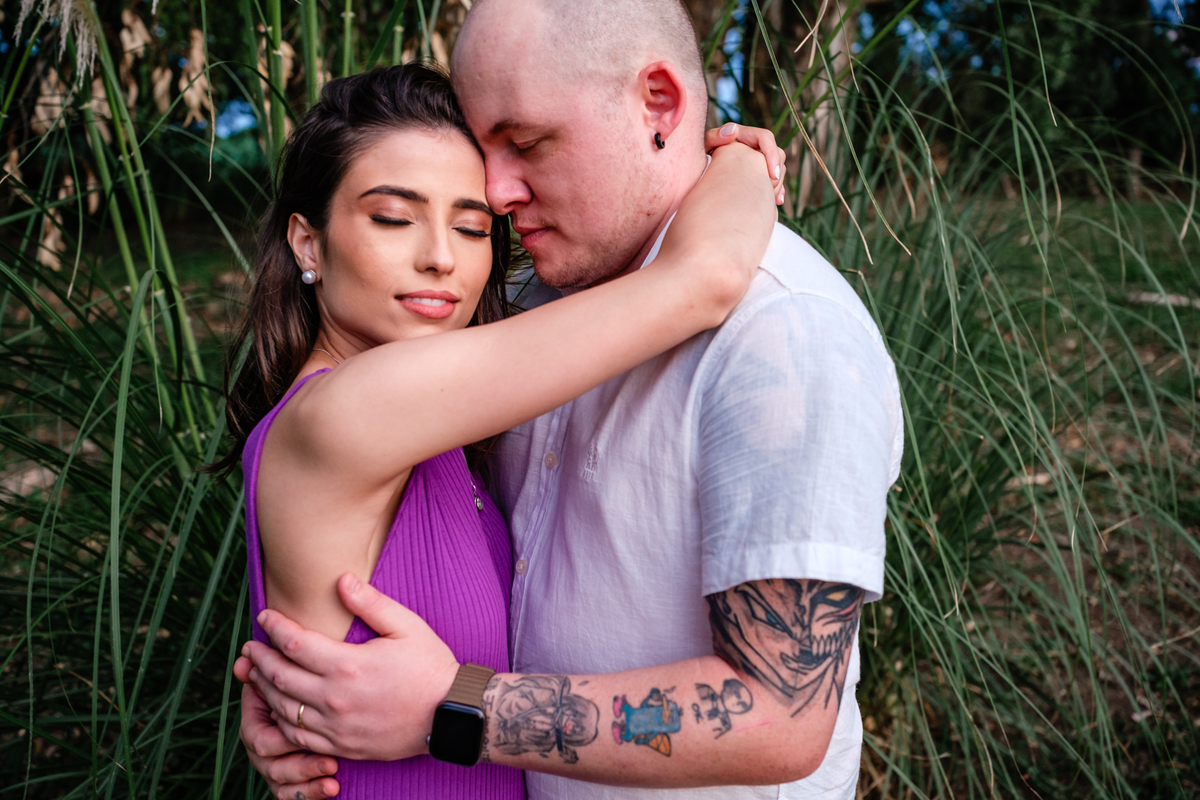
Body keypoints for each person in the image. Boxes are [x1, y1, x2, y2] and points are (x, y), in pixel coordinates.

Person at [237, 1, 904, 798]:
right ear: (307, 240)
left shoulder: (781, 331)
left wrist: (455, 707)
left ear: (660, 104)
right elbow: (696, 281)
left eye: (522, 147)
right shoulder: (496, 331)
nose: (497, 196)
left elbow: (780, 716)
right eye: (391, 217)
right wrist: (738, 163)